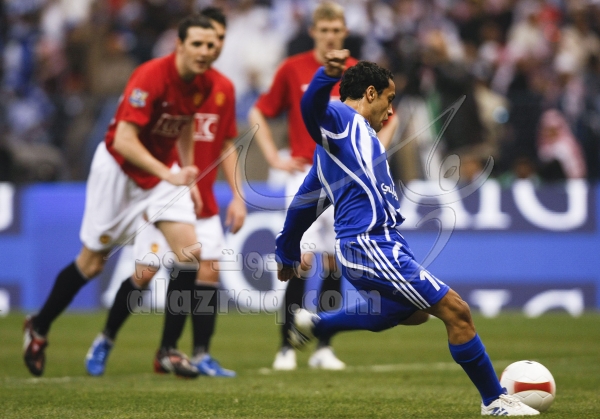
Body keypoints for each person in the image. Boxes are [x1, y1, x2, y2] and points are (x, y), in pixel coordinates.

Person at [276, 51, 540, 416]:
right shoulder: (341, 119)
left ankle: (319, 324)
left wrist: (286, 251)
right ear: (370, 93)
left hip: (378, 244)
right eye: (389, 99)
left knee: (412, 313)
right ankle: (494, 401)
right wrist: (326, 75)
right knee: (456, 311)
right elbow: (310, 108)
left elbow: (304, 205)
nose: (390, 110)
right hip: (369, 245)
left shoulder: (346, 148)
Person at [23, 15, 218, 378]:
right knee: (91, 263)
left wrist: (187, 172)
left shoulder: (203, 82)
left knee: (189, 252)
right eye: (197, 44)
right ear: (179, 45)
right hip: (119, 170)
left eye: (210, 45)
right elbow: (126, 140)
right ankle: (39, 325)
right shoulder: (151, 76)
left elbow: (186, 122)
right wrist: (170, 174)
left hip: (160, 173)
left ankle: (168, 351)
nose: (205, 51)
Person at [83, 7, 244, 378]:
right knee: (145, 271)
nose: (212, 46)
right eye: (205, 39)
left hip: (201, 194)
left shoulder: (222, 88)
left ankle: (197, 354)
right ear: (186, 43)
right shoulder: (174, 79)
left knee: (208, 270)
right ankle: (106, 338)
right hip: (165, 189)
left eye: (218, 39)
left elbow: (227, 143)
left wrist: (237, 196)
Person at [248, 0, 398, 372]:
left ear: (345, 32)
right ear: (313, 32)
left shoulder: (358, 74)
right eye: (325, 30)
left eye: (336, 30)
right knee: (302, 261)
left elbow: (391, 115)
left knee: (334, 263)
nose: (331, 36)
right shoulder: (293, 68)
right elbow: (259, 110)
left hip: (344, 177)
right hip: (305, 170)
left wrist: (374, 153)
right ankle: (286, 345)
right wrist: (273, 157)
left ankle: (323, 346)